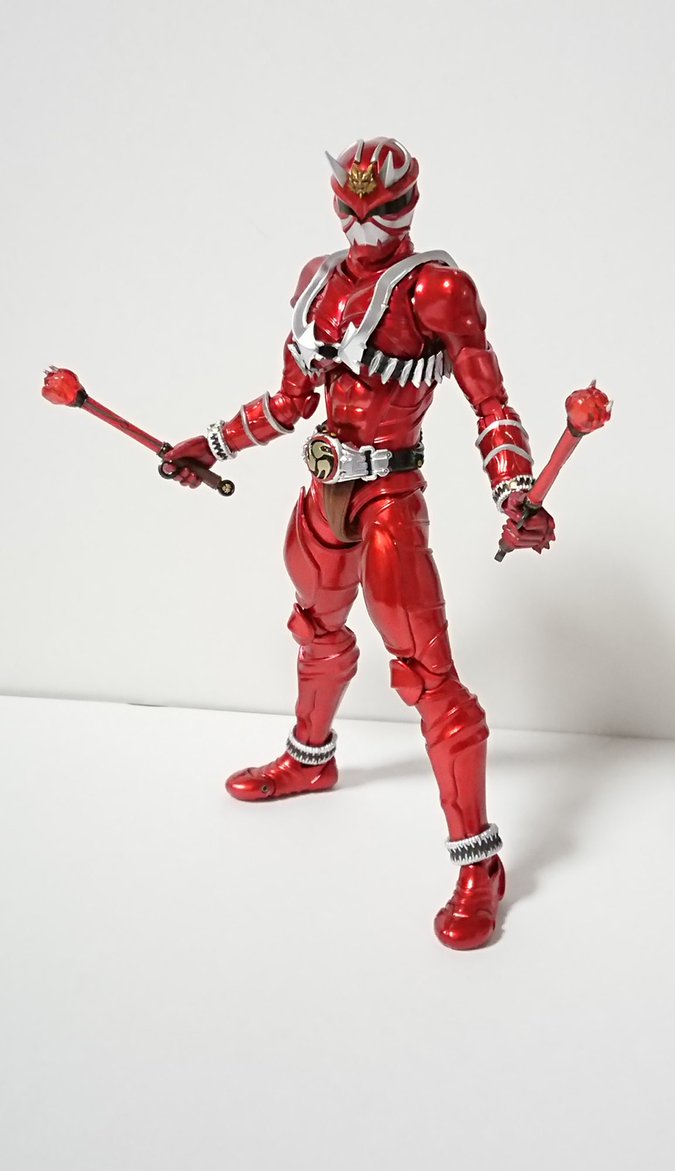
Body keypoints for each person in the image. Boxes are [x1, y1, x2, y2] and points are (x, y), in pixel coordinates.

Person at [164, 138, 555, 950]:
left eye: (384, 209)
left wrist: (513, 491)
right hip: (324, 489)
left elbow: (489, 402)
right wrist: (213, 444)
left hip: (388, 497)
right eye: (351, 208)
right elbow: (289, 401)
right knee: (316, 627)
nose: (365, 225)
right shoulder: (316, 281)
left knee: (428, 678)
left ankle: (478, 864)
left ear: (411, 203)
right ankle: (310, 757)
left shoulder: (436, 289)